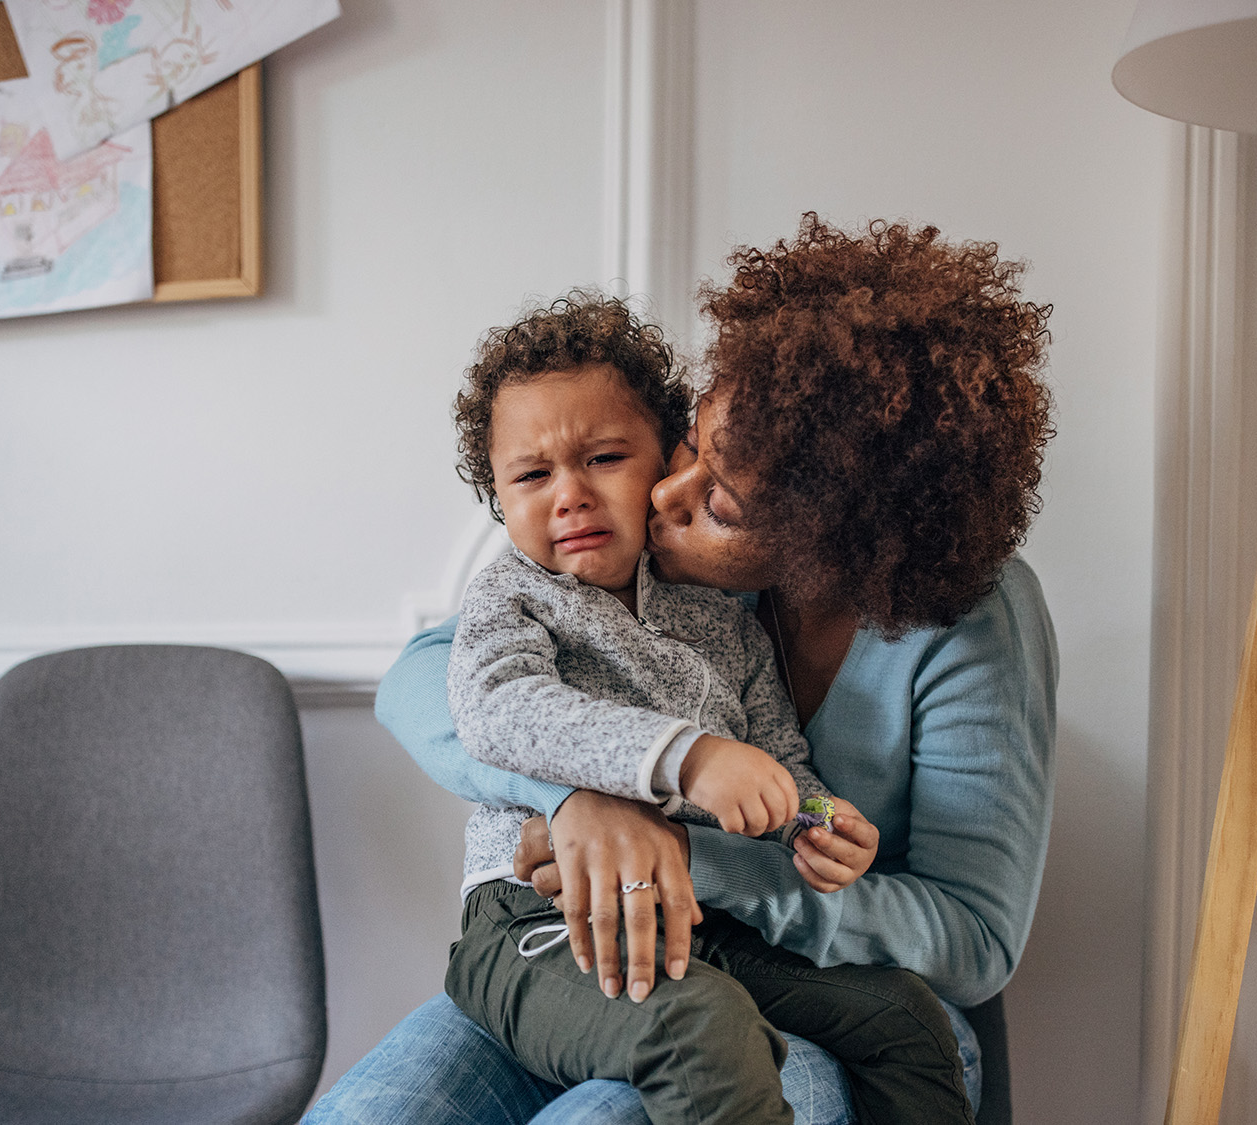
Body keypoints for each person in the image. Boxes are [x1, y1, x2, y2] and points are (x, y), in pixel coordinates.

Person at [305, 215, 1058, 1125]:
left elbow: (972, 939)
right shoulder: (613, 565)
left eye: (722, 498)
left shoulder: (962, 622)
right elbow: (439, 683)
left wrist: (728, 851)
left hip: (817, 973)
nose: (666, 492)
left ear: (830, 539)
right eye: (692, 443)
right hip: (561, 925)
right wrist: (584, 803)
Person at [443, 294, 970, 1124]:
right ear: (498, 494)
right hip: (535, 920)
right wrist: (685, 755)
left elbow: (775, 754)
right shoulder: (510, 599)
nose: (570, 496)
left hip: (705, 917)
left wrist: (817, 817)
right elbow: (500, 711)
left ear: (662, 460)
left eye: (605, 458)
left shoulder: (717, 609)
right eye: (532, 475)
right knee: (703, 1029)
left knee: (903, 1016)